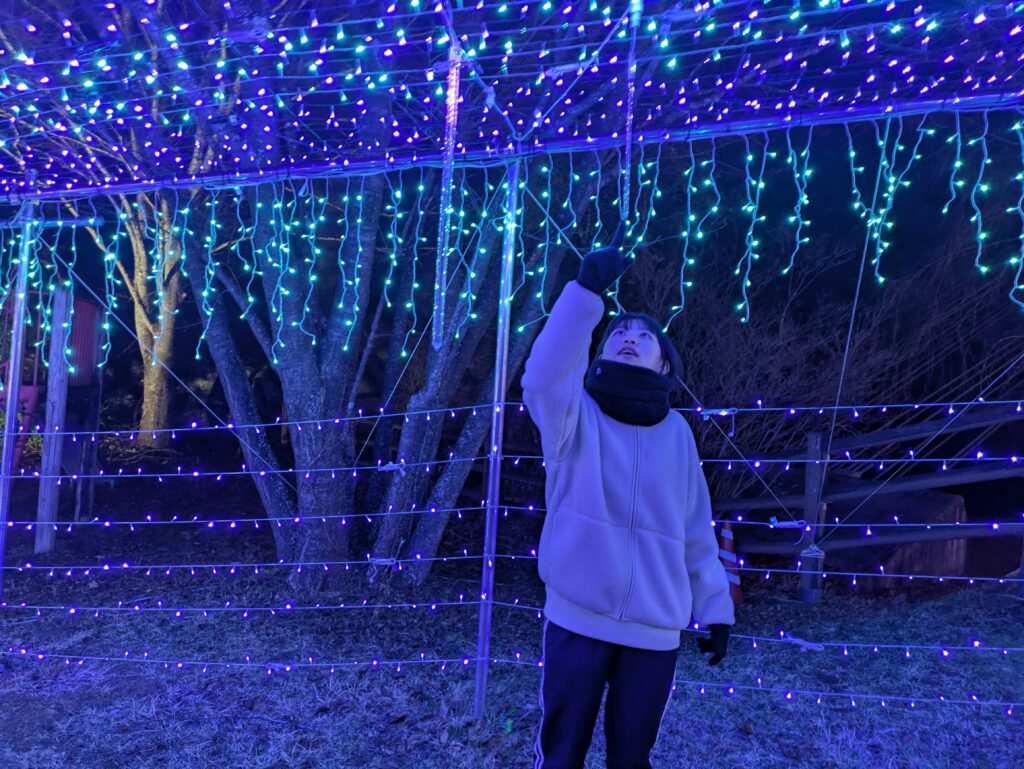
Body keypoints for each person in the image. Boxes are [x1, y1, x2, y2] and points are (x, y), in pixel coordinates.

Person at [521, 226, 736, 769]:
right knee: (561, 756)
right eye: (619, 331)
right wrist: (584, 295)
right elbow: (543, 379)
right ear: (600, 349)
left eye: (645, 336)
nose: (629, 336)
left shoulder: (679, 434)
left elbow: (695, 529)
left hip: (654, 634)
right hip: (577, 620)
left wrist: (715, 608)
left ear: (665, 364)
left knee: (631, 761)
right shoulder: (573, 416)